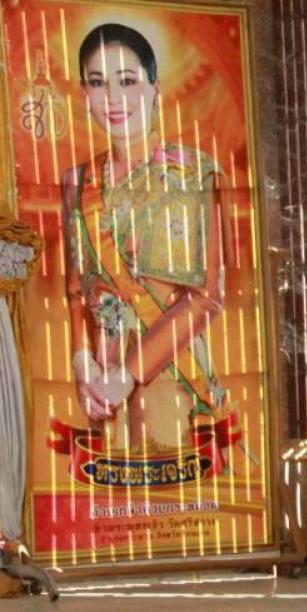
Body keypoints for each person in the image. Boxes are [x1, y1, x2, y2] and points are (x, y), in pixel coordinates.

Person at [63, 23, 227, 451]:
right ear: (84, 94)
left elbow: (206, 296)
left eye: (127, 81)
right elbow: (77, 291)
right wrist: (83, 363)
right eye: (98, 82)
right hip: (102, 384)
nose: (113, 98)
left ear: (155, 89)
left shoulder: (193, 174)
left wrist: (129, 373)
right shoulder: (77, 183)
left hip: (171, 373)